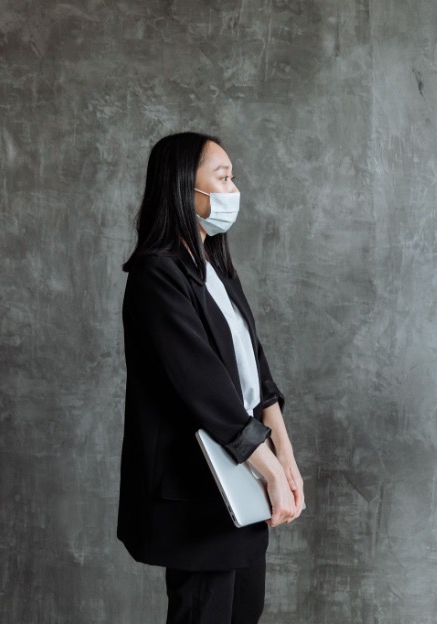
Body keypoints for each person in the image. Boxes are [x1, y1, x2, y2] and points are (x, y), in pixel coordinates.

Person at [118, 132, 304, 624]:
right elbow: (204, 389)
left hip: (245, 476)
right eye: (222, 178)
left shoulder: (217, 270)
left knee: (245, 609)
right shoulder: (156, 276)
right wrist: (270, 470)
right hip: (200, 490)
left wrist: (285, 458)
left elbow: (257, 372)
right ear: (185, 188)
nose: (233, 189)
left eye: (232, 177)